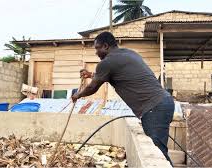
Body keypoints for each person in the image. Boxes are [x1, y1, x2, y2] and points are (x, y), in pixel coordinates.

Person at [71, 31, 175, 165]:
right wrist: (91, 74)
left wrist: (78, 95)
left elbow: (92, 88)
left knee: (158, 156)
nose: (96, 53)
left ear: (106, 46)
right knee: (158, 153)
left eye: (97, 48)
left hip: (154, 108)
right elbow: (110, 74)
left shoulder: (107, 63)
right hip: (162, 102)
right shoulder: (128, 53)